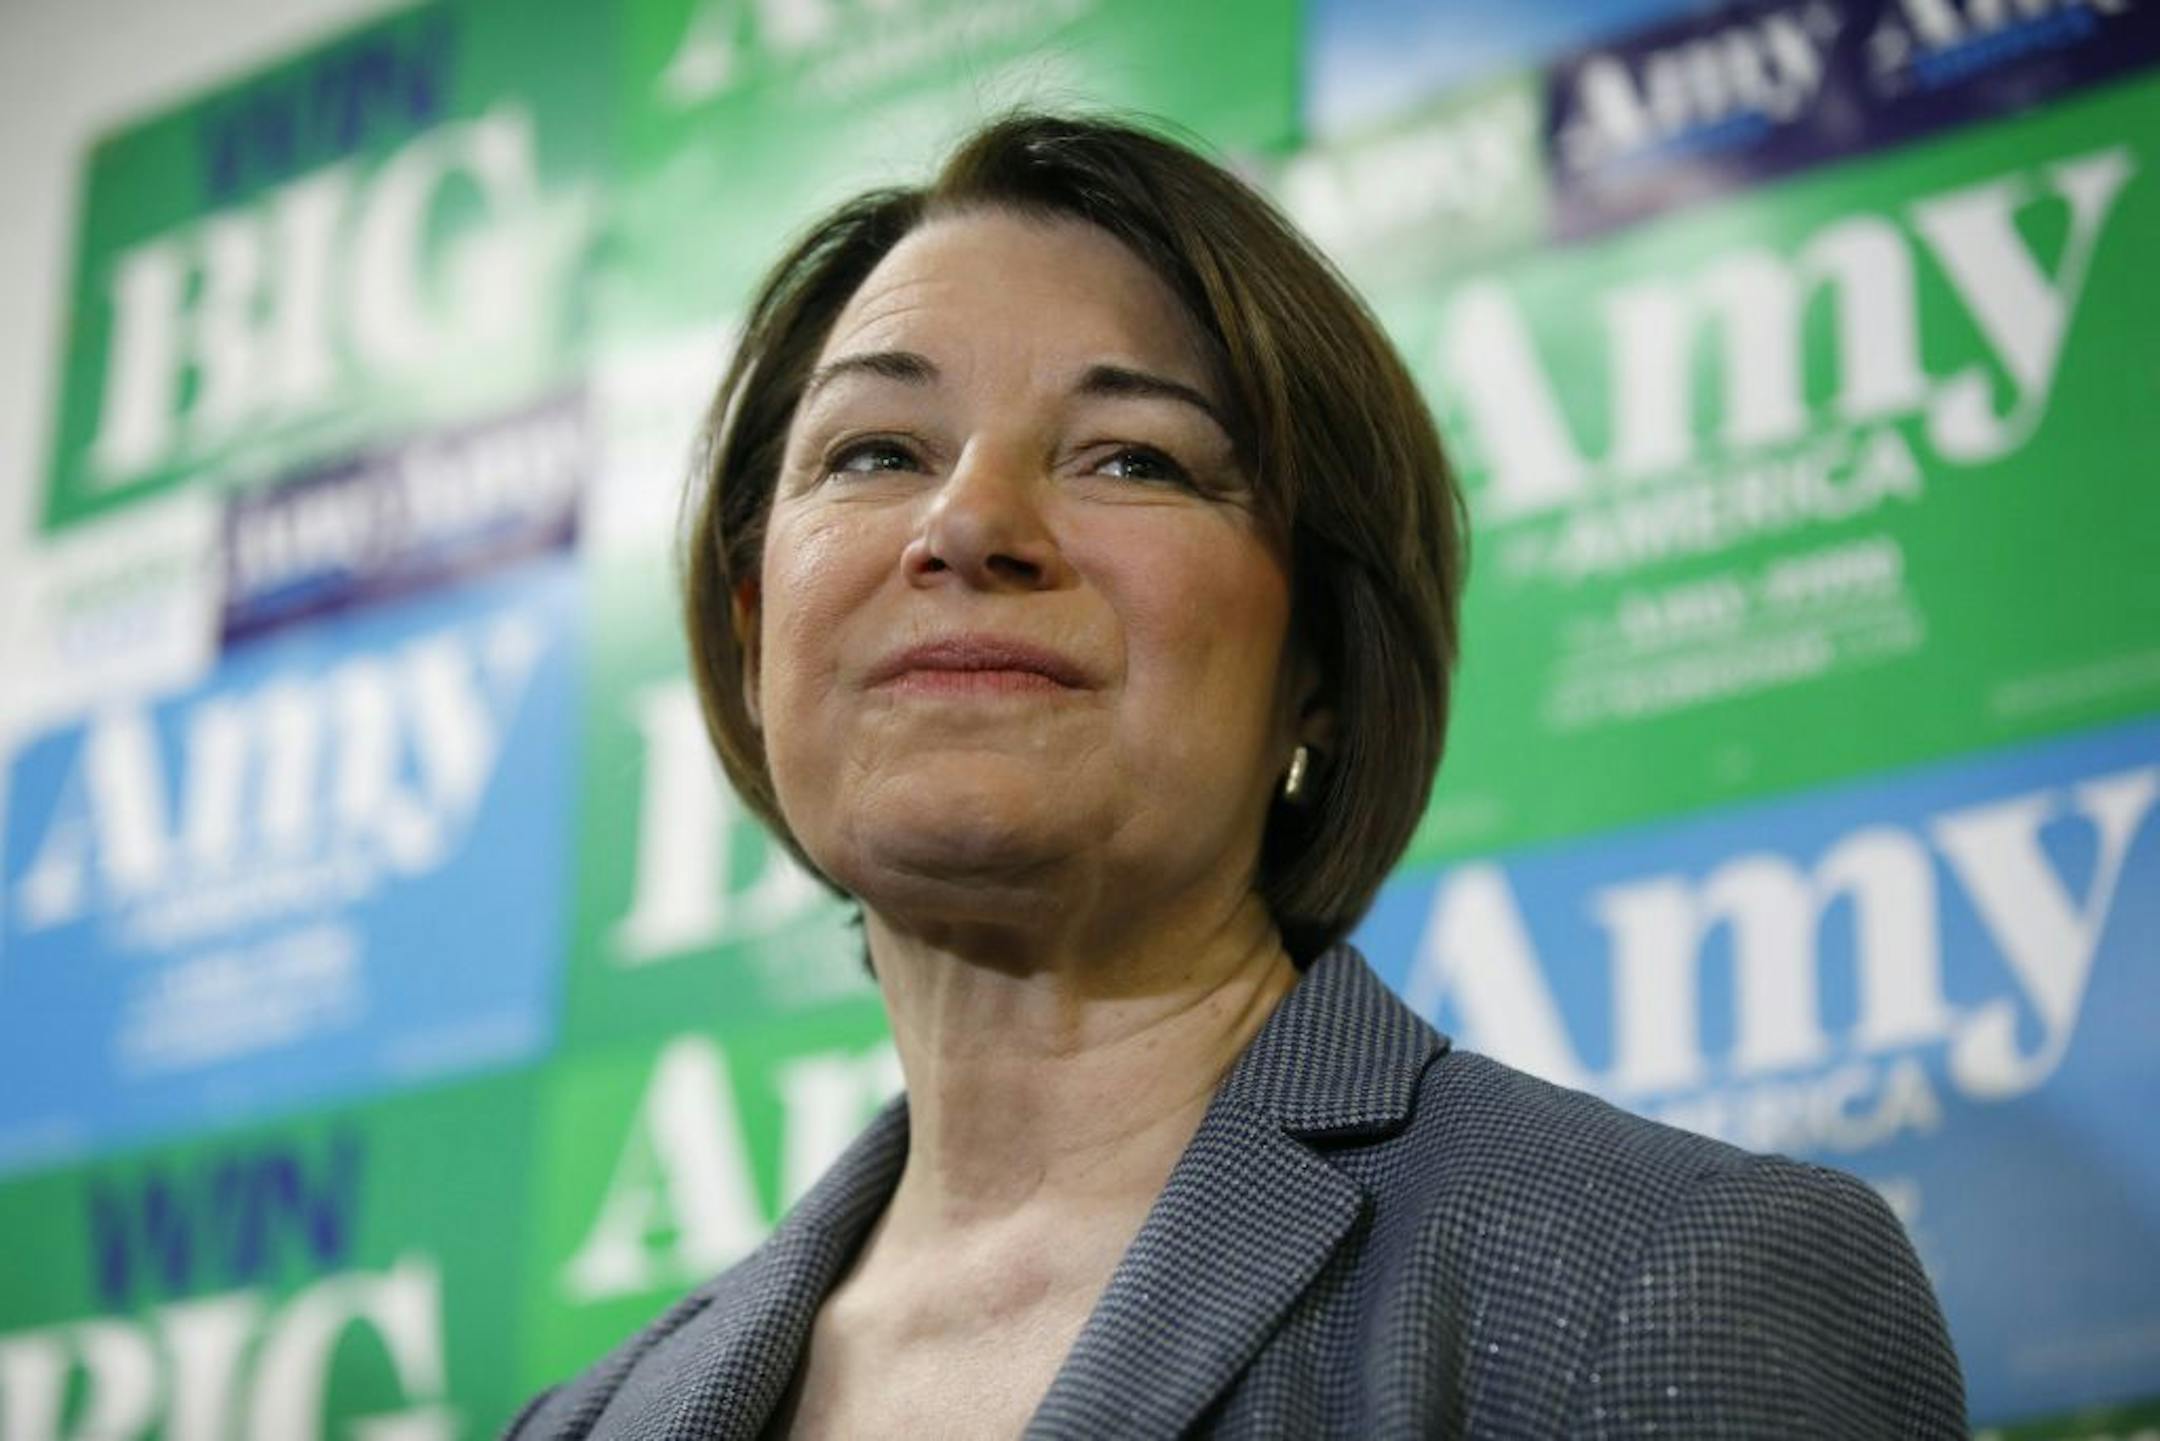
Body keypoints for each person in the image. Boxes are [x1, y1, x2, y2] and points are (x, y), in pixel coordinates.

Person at [507, 113, 1965, 1438]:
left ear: (1318, 662)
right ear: (756, 623)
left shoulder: (1661, 1277)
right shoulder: (584, 1424)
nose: (966, 525)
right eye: (878, 449)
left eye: (1133, 460)